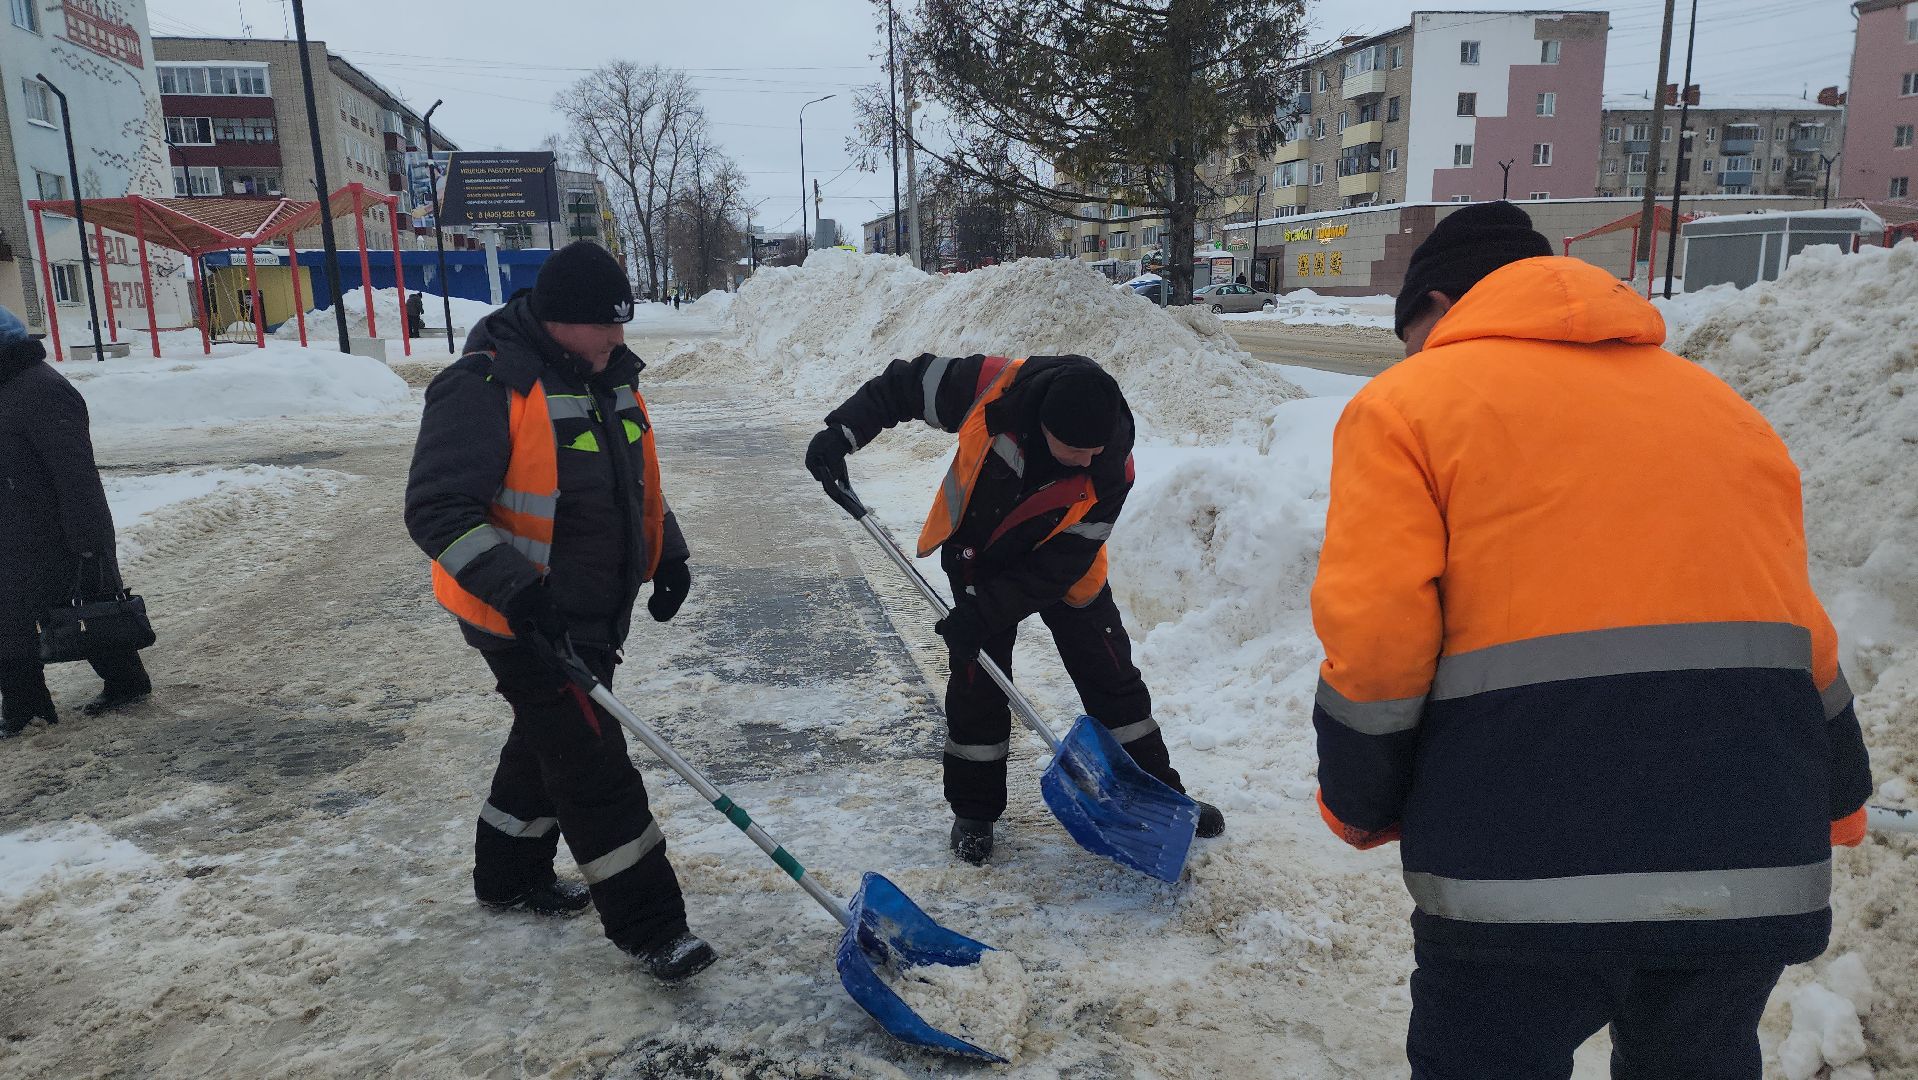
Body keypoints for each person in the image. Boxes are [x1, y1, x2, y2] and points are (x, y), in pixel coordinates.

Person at [1309, 202, 1873, 1080]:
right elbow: (1796, 621)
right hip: (1746, 859)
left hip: (1523, 870)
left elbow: (1379, 637)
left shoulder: (1410, 405)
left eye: (1412, 332)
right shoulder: (1724, 408)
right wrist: (1841, 791)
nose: (1411, 354)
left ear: (1443, 302)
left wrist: (1361, 798)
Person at [404, 242, 714, 982]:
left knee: (546, 736)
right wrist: (517, 589)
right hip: (520, 613)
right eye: (605, 326)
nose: (619, 339)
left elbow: (631, 482)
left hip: (594, 607)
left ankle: (508, 874)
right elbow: (436, 508)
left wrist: (668, 553)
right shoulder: (486, 384)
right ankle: (653, 927)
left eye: (621, 324)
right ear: (560, 319)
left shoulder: (608, 379)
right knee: (589, 757)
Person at [805, 353, 1224, 863]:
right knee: (977, 686)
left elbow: (1064, 559)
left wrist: (990, 610)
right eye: (1076, 449)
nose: (1089, 460)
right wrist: (842, 432)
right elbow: (907, 385)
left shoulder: (1113, 464)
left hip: (1064, 570)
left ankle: (1159, 795)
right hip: (978, 556)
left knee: (1113, 680)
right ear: (1045, 425)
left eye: (1097, 449)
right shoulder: (991, 389)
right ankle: (975, 812)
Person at [0, 306, 152, 737]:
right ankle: (28, 709)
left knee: (87, 607)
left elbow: (75, 472)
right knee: (11, 618)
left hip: (49, 530)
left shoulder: (40, 389)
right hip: (12, 526)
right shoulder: (7, 385)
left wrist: (89, 540)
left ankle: (123, 682)